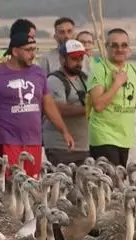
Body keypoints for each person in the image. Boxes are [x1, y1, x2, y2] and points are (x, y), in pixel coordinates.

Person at [0, 32, 74, 178]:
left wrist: (64, 131)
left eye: (34, 49)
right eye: (28, 50)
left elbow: (48, 105)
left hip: (33, 140)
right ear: (15, 51)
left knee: (32, 184)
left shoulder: (38, 73)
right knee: (10, 184)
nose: (33, 54)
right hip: (7, 140)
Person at [87, 28, 136, 166]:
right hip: (104, 136)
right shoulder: (99, 69)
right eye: (114, 45)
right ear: (106, 48)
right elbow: (98, 105)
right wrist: (117, 83)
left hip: (125, 137)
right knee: (111, 181)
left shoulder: (132, 70)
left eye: (124, 45)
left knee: (120, 180)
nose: (119, 49)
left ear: (129, 49)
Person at [45, 38, 90, 166]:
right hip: (60, 146)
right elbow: (59, 109)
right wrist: (89, 109)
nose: (79, 63)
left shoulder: (85, 79)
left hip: (83, 145)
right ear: (62, 59)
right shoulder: (54, 80)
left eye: (81, 58)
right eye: (74, 59)